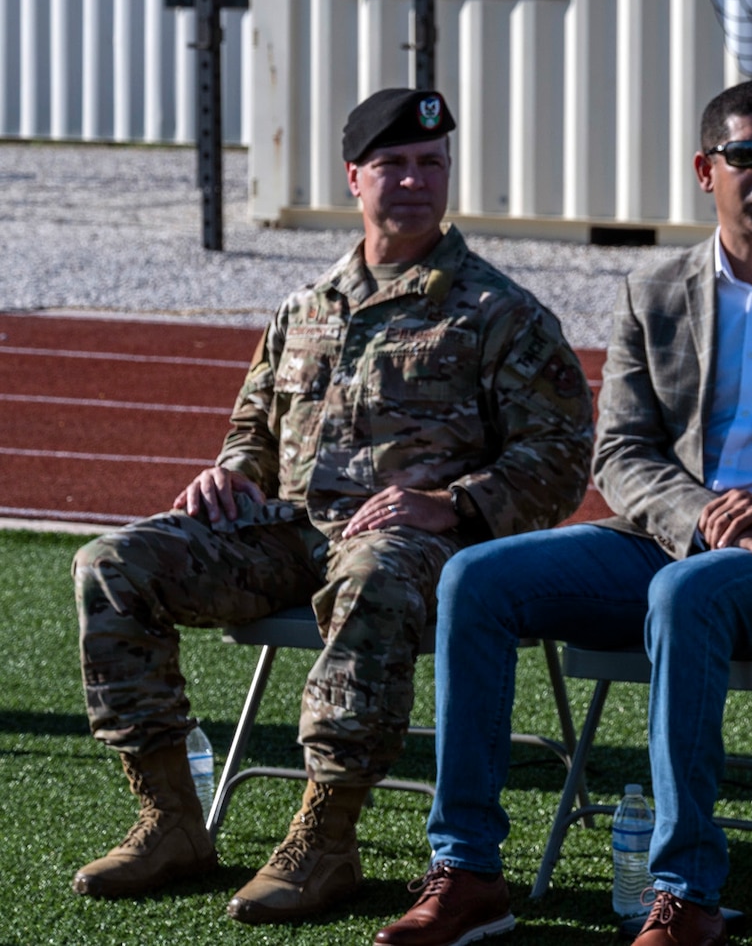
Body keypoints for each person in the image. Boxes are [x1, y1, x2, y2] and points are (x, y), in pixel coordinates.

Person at [377, 79, 752, 946]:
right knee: (473, 579)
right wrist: (719, 520)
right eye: (748, 156)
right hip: (677, 539)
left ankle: (688, 895)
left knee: (689, 597)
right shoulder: (654, 287)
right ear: (704, 169)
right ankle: (469, 871)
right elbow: (622, 455)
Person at [71, 88, 596, 923]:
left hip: (425, 549)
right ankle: (170, 820)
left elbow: (564, 455)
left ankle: (327, 837)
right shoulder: (307, 307)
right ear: (355, 177)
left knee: (374, 571)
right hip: (288, 537)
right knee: (112, 563)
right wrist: (231, 472)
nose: (416, 181)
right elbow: (254, 425)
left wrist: (451, 503)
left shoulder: (500, 313)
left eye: (432, 164)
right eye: (394, 164)